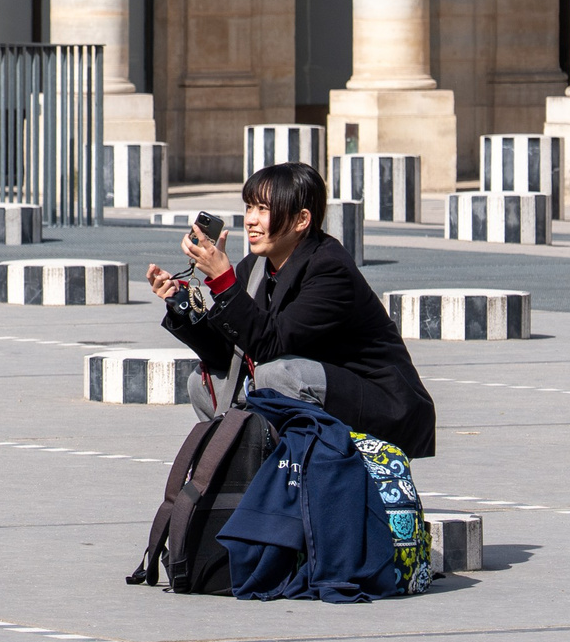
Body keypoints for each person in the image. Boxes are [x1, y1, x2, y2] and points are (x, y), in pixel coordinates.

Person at [147, 161, 436, 459]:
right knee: (202, 383)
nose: (251, 220)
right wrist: (183, 306)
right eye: (249, 208)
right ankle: (248, 474)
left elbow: (271, 344)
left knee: (276, 374)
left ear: (301, 220)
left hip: (377, 406)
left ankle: (302, 475)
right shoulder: (255, 268)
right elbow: (230, 354)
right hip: (314, 391)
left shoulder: (329, 269)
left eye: (263, 209)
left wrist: (223, 282)